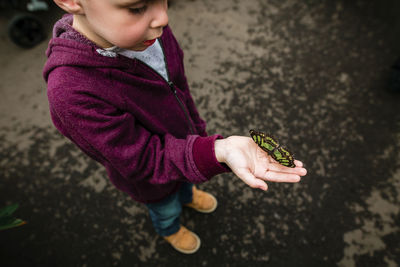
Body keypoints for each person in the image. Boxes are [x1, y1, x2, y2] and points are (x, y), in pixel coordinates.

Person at [43, 0, 307, 254]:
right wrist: (213, 152)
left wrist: (207, 142)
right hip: (151, 182)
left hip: (188, 144)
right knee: (166, 207)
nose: (163, 18)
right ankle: (169, 229)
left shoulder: (149, 33)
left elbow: (178, 86)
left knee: (185, 184)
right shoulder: (71, 91)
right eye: (137, 7)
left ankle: (188, 193)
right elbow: (141, 160)